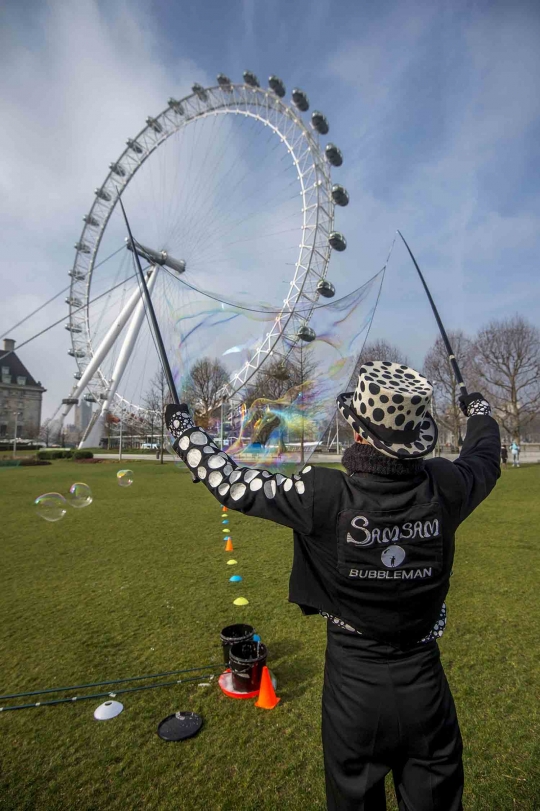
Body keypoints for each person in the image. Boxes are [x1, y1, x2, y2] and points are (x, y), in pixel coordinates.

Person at [165, 361, 501, 811]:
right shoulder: (446, 487)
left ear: (359, 433)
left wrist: (185, 432)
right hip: (426, 688)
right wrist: (479, 410)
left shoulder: (322, 497)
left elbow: (232, 483)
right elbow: (484, 457)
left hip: (353, 693)